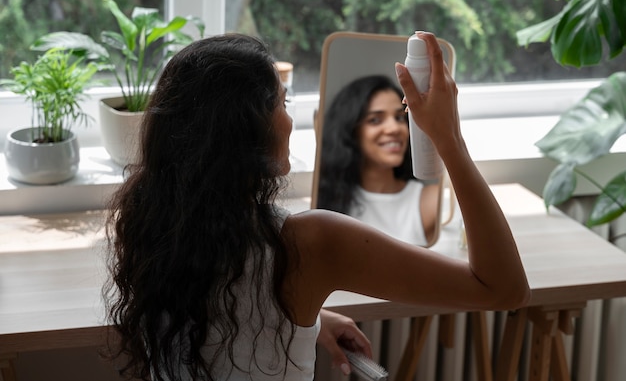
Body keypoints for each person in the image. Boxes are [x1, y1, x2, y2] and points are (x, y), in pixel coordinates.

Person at [103, 32, 530, 381]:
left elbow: (226, 308)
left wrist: (309, 317)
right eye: (282, 104)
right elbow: (504, 288)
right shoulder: (311, 243)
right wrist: (449, 140)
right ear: (247, 131)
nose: (290, 120)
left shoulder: (150, 222)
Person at [317, 74, 441, 247]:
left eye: (399, 118)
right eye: (375, 120)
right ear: (351, 132)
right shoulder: (325, 205)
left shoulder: (430, 200)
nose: (394, 128)